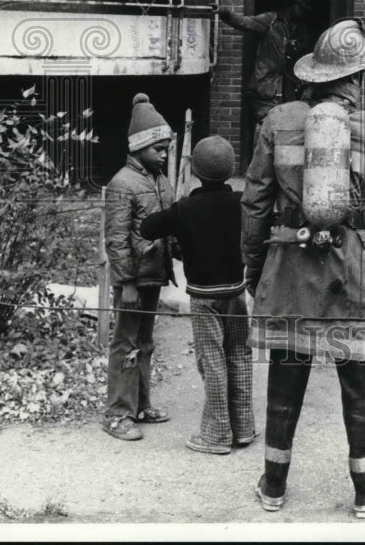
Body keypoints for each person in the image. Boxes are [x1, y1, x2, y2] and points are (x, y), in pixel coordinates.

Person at [241, 19, 365, 519]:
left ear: (315, 76)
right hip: (355, 269)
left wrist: (255, 267)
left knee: (286, 373)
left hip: (291, 262)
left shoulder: (276, 122)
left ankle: (273, 485)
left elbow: (254, 205)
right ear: (356, 79)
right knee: (360, 376)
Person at [140, 135, 255, 455]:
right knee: (240, 356)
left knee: (212, 361)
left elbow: (148, 228)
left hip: (204, 297)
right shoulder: (242, 202)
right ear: (231, 169)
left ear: (196, 171)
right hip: (236, 292)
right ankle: (243, 428)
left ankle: (217, 434)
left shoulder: (185, 208)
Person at [102, 92, 175, 441]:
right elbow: (116, 240)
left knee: (145, 342)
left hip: (153, 276)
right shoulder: (122, 183)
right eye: (158, 148)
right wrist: (126, 282)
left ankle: (141, 404)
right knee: (126, 343)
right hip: (133, 280)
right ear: (138, 148)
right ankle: (117, 413)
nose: (164, 155)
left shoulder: (159, 181)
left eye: (167, 148)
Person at [218, 0, 315, 134]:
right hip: (265, 89)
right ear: (292, 5)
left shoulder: (301, 30)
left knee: (284, 130)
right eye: (301, 7)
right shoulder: (271, 21)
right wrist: (226, 14)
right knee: (265, 129)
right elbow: (245, 22)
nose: (303, 12)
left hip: (287, 90)